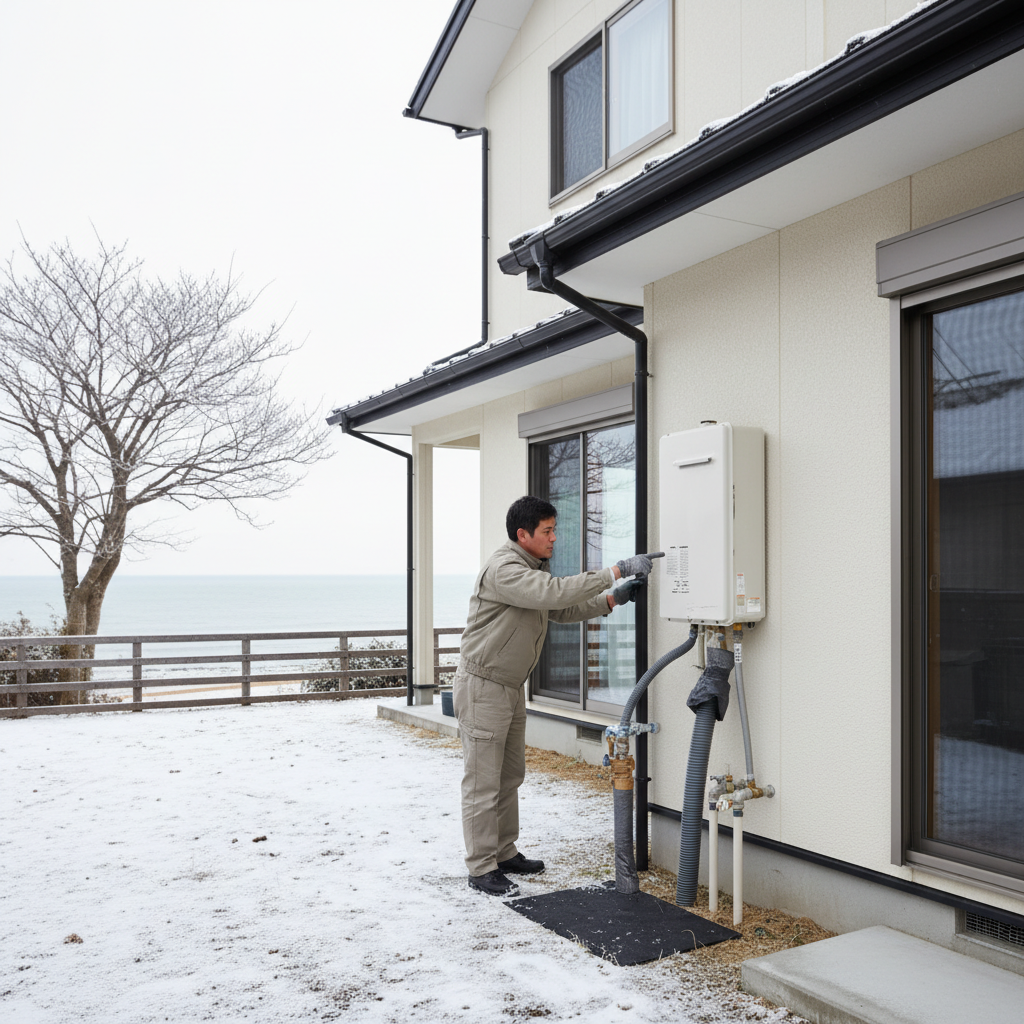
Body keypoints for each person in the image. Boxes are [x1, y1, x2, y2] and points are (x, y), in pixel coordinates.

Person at [453, 494, 659, 897]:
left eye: (554, 530)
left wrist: (613, 599)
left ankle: (503, 851)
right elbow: (552, 594)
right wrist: (614, 570)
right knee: (483, 782)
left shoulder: (529, 569)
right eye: (547, 532)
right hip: (483, 687)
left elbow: (559, 609)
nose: (554, 539)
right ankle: (481, 867)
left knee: (509, 776)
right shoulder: (506, 569)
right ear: (522, 534)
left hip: (509, 688)